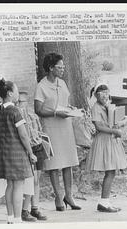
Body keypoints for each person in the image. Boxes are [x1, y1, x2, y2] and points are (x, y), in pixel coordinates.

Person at [34, 53, 81, 211]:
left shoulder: (62, 83)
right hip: (52, 127)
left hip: (65, 126)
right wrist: (55, 112)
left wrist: (71, 109)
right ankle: (58, 197)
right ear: (50, 68)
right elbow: (38, 110)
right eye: (59, 67)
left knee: (68, 162)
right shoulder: (41, 86)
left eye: (63, 66)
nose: (63, 69)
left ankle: (69, 195)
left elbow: (65, 103)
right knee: (54, 164)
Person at [0, 79, 37, 224]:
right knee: (19, 185)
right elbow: (23, 135)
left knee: (9, 185)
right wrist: (31, 152)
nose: (17, 94)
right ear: (10, 93)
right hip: (17, 153)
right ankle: (17, 218)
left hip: (3, 153)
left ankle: (10, 217)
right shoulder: (15, 111)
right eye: (16, 91)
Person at [86, 83, 127, 213]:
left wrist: (121, 121)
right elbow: (98, 126)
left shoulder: (108, 107)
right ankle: (104, 202)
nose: (104, 95)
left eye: (106, 92)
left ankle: (105, 201)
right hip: (104, 140)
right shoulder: (96, 108)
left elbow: (113, 120)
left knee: (112, 171)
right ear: (96, 95)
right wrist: (114, 131)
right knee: (109, 171)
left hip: (110, 140)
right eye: (101, 93)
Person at [18, 89, 47, 222]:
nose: (20, 104)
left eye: (22, 101)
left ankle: (35, 208)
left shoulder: (32, 115)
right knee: (30, 179)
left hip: (37, 146)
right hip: (26, 148)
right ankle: (24, 209)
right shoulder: (15, 115)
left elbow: (39, 131)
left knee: (36, 180)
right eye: (17, 102)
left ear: (27, 102)